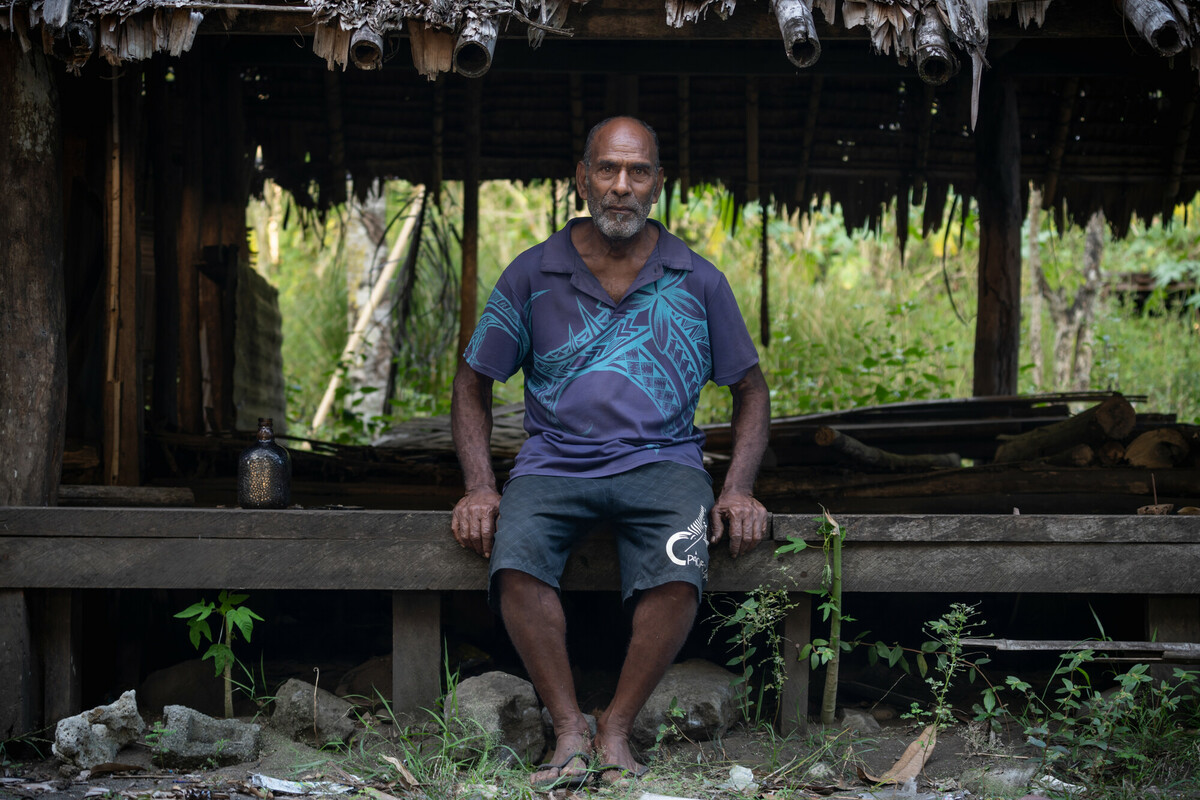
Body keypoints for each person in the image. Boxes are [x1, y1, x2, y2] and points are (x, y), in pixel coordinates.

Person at [450, 116, 770, 788]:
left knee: (683, 564)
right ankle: (568, 728)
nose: (620, 187)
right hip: (554, 462)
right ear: (582, 177)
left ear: (658, 183)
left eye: (637, 172)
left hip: (665, 462)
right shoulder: (533, 272)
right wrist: (481, 487)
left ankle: (616, 728)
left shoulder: (698, 280)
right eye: (607, 169)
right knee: (515, 560)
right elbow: (472, 379)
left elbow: (751, 390)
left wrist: (737, 488)